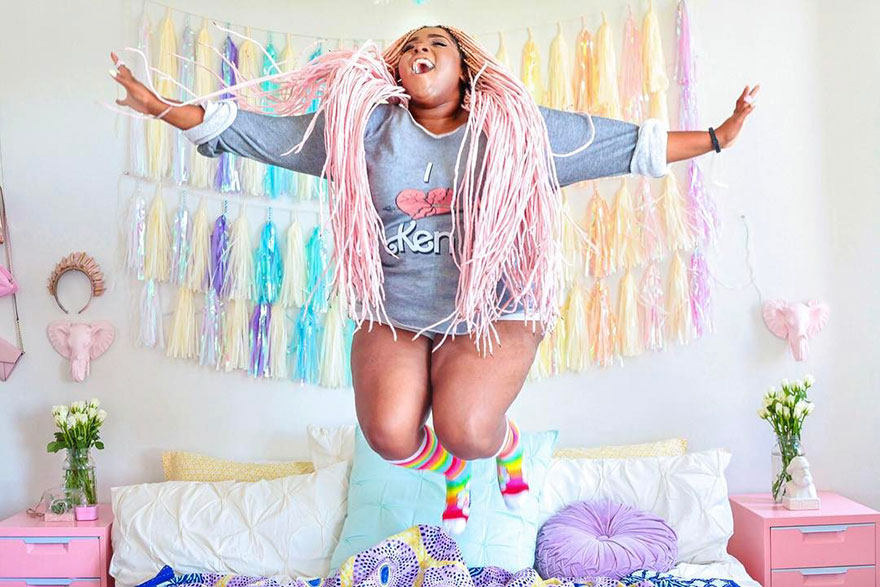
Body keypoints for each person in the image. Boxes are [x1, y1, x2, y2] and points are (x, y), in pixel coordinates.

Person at [109, 24, 758, 534]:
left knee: (467, 429)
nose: (421, 49)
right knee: (390, 435)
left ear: (463, 65)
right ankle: (450, 472)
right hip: (397, 308)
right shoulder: (364, 132)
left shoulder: (516, 130)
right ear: (396, 69)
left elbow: (622, 144)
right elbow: (264, 135)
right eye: (411, 45)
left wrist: (717, 136)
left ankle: (503, 448)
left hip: (496, 310)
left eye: (436, 43)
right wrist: (162, 108)